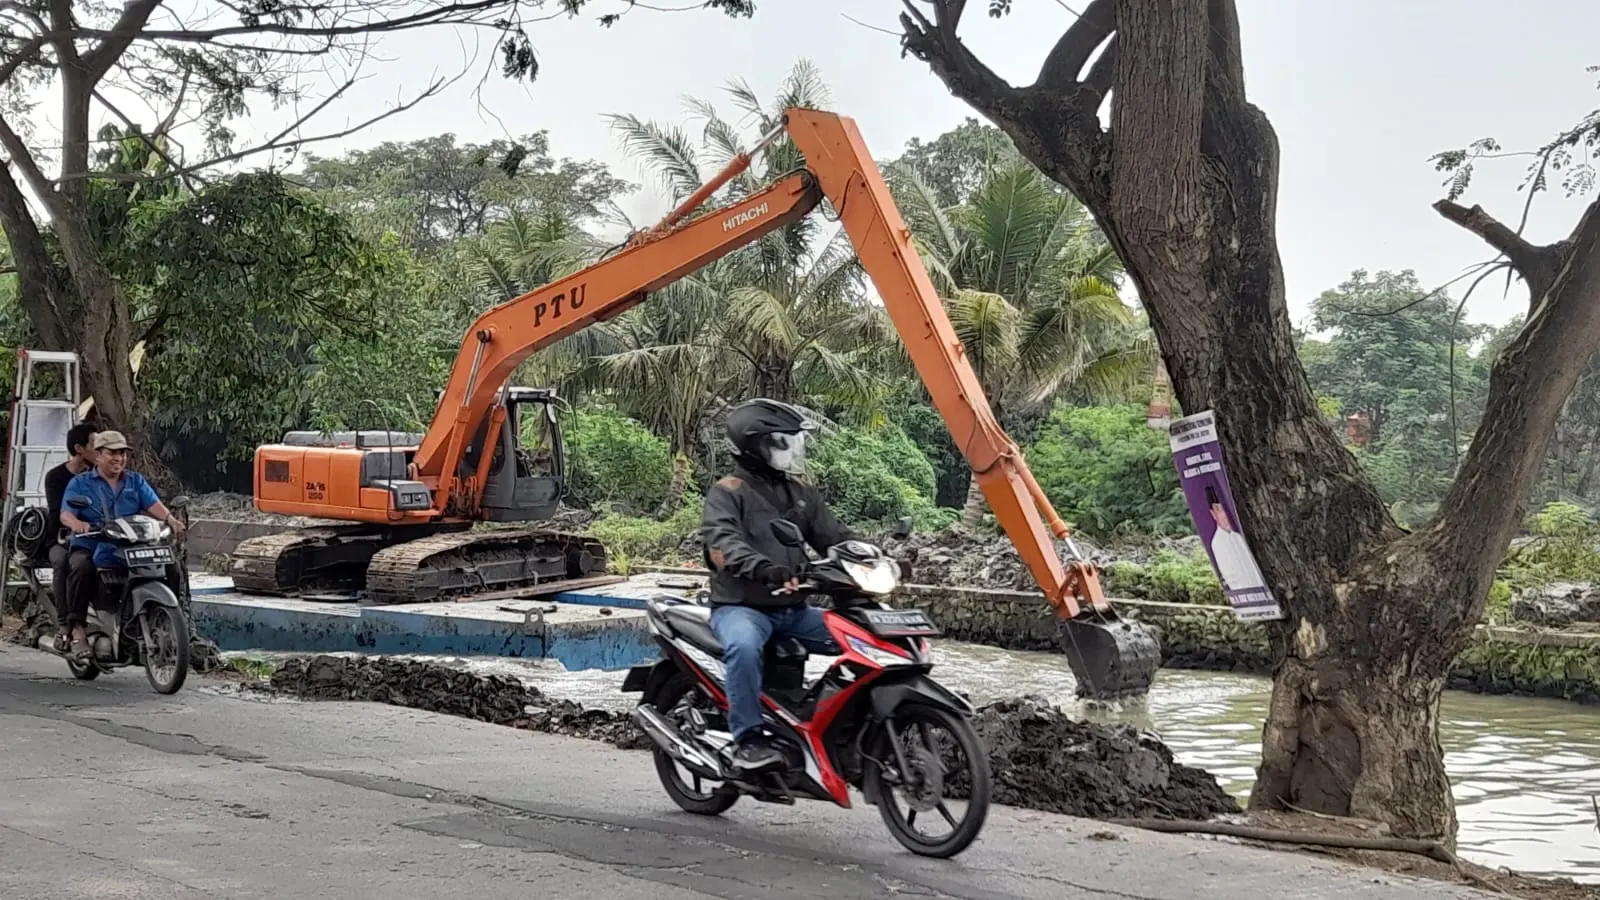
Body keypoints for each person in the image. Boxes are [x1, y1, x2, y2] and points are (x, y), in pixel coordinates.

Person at [701, 399, 857, 774]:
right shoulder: (728, 491)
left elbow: (834, 537)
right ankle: (747, 739)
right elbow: (722, 544)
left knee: (860, 639)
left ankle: (834, 726)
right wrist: (764, 568)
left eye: (794, 442)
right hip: (742, 606)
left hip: (795, 610)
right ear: (755, 446)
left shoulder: (801, 493)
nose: (792, 451)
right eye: (782, 443)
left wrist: (876, 555)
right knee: (742, 647)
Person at [59, 431, 185, 658]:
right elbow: (66, 515)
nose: (119, 458)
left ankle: (170, 619)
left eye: (122, 453)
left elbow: (153, 503)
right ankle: (77, 630)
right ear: (98, 455)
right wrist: (78, 524)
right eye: (112, 453)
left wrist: (170, 520)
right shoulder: (81, 483)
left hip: (131, 545)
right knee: (80, 568)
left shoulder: (134, 480)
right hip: (93, 543)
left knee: (171, 566)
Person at [42, 423, 98, 644]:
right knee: (62, 562)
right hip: (60, 537)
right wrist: (78, 523)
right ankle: (64, 622)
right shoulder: (55, 477)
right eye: (95, 445)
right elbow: (58, 515)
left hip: (91, 536)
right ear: (79, 448)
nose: (100, 451)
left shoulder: (96, 476)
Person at [1204, 485, 1266, 592]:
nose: (1224, 515)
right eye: (1219, 510)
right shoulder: (1217, 542)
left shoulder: (1240, 535)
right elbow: (1229, 577)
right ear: (1213, 514)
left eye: (1225, 509)